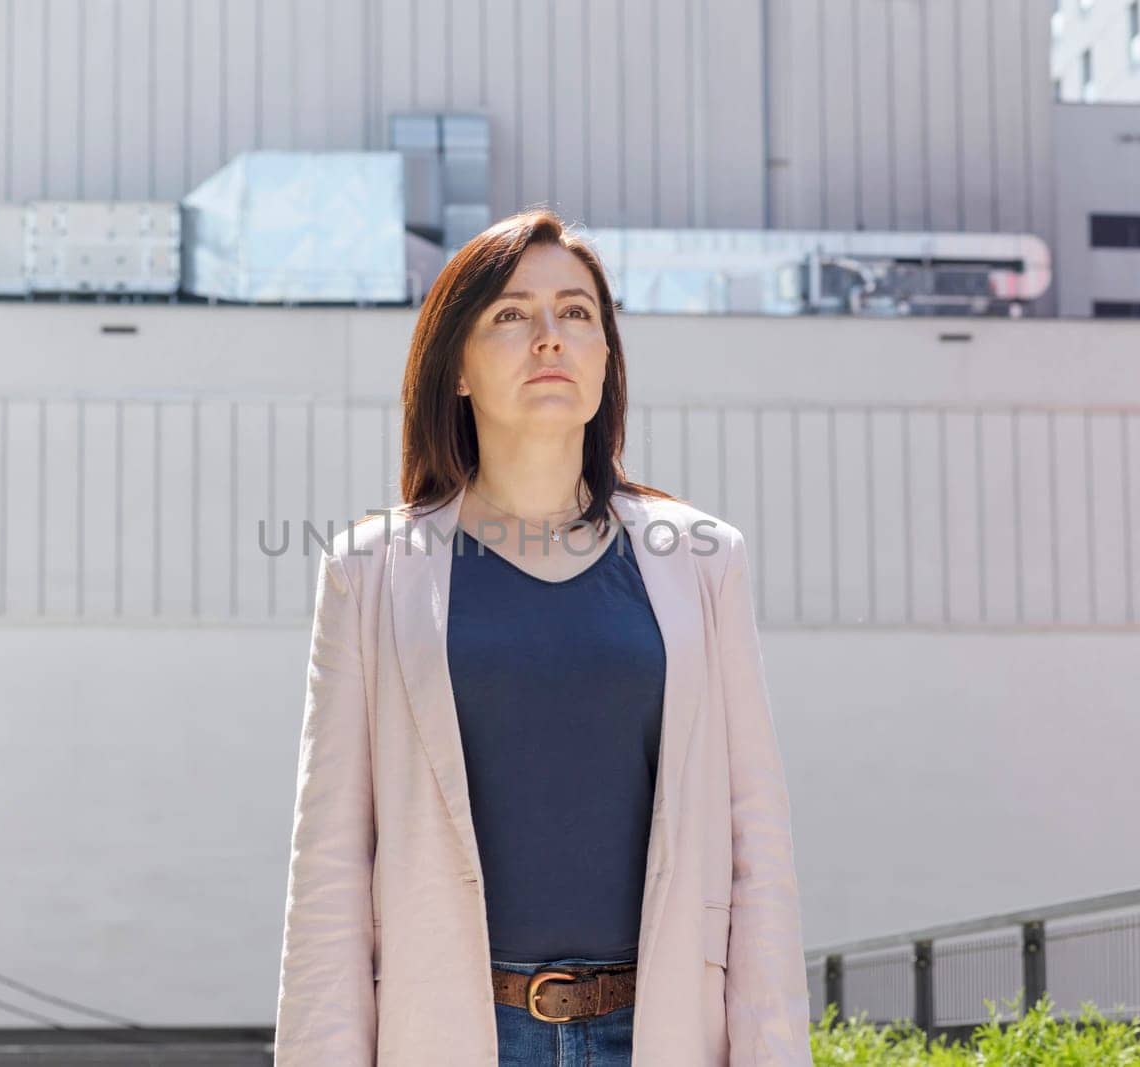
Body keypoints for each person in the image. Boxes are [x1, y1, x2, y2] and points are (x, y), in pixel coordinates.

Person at [274, 209, 813, 1066]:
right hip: (457, 1034)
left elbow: (759, 851)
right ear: (455, 365)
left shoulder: (703, 561)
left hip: (662, 1033)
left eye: (576, 313)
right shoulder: (371, 572)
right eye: (511, 314)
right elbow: (331, 869)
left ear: (606, 360)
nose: (550, 337)